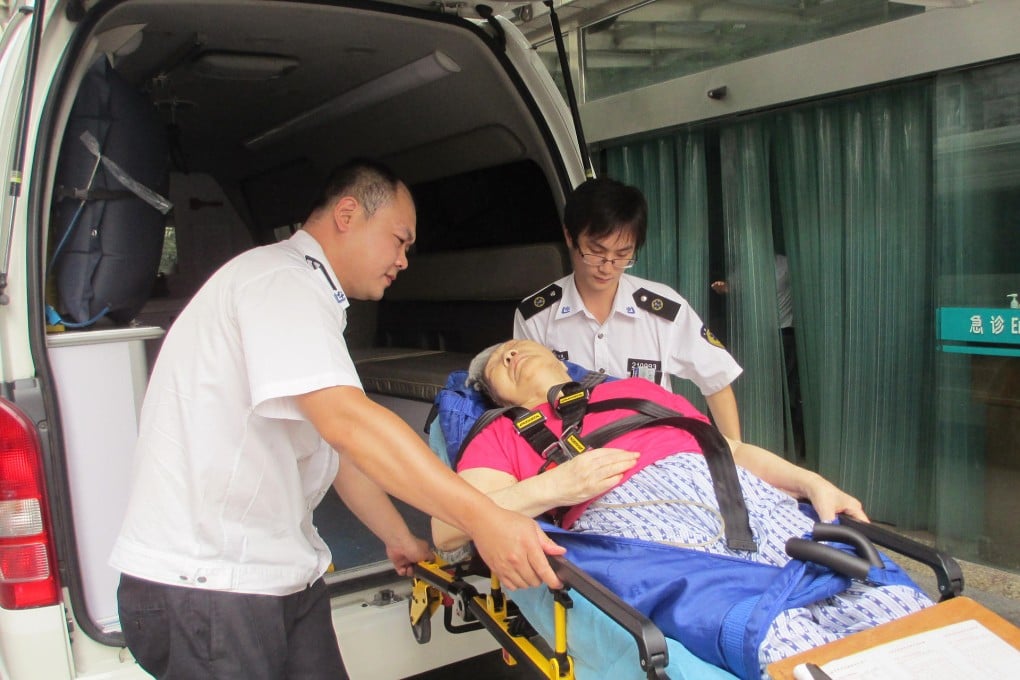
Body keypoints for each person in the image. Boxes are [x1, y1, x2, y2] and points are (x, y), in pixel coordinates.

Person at [110, 160, 564, 680]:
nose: (403, 261)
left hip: (275, 576)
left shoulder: (309, 298)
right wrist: (488, 519)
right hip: (210, 585)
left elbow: (337, 448)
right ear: (347, 214)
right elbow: (351, 425)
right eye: (398, 240)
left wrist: (396, 536)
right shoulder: (280, 282)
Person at [432, 339, 931, 678]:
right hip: (639, 525)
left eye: (517, 345)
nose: (511, 352)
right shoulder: (499, 435)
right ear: (495, 397)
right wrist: (555, 486)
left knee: (881, 600)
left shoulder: (639, 391)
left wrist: (810, 481)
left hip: (736, 496)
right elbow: (448, 529)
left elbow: (731, 451)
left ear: (561, 357)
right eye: (501, 362)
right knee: (780, 636)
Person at [515, 177, 744, 440]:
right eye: (595, 251)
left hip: (657, 454)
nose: (608, 266)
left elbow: (716, 382)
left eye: (623, 254)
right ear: (570, 237)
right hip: (575, 461)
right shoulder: (535, 316)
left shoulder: (664, 311)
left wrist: (733, 458)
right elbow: (527, 401)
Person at [712, 253, 804, 459]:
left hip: (782, 333)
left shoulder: (784, 264)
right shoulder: (749, 264)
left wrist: (727, 287)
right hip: (763, 334)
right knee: (769, 390)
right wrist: (723, 287)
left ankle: (786, 444)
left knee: (782, 392)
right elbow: (731, 286)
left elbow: (741, 287)